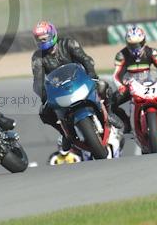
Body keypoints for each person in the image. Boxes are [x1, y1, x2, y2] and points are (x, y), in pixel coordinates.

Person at [31, 20, 121, 153]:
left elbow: (86, 59)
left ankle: (110, 113)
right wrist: (44, 95)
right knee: (44, 112)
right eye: (39, 39)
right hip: (59, 89)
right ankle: (64, 133)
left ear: (52, 34)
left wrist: (92, 74)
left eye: (45, 38)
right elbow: (38, 80)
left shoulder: (68, 43)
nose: (42, 41)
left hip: (80, 80)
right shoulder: (37, 57)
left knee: (103, 86)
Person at [111, 26, 157, 133]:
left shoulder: (152, 52)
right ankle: (126, 122)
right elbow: (116, 74)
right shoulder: (122, 55)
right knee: (110, 103)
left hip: (150, 82)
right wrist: (121, 87)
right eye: (132, 45)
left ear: (144, 42)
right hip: (131, 86)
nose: (135, 48)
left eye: (138, 44)